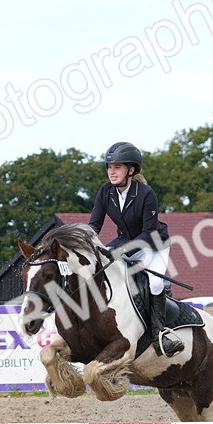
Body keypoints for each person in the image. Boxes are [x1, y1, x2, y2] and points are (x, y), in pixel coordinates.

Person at [87, 141, 184, 357]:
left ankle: (160, 334)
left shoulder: (146, 194)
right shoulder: (105, 192)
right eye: (109, 167)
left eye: (117, 167)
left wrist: (121, 252)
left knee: (155, 281)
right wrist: (82, 240)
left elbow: (148, 233)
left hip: (153, 244)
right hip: (125, 241)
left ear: (131, 170)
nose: (112, 172)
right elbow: (94, 225)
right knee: (103, 270)